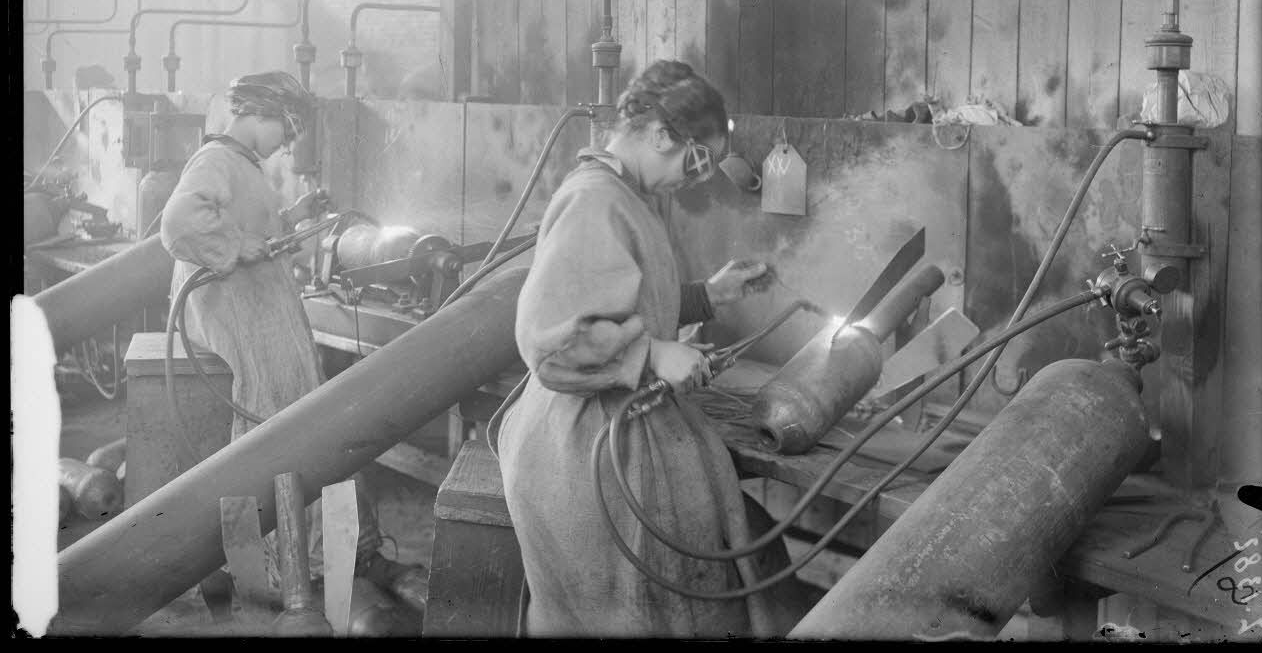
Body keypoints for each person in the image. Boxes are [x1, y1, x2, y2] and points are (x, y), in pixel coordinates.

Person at [488, 59, 807, 637]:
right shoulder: (595, 201)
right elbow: (550, 344)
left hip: (613, 423)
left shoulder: (627, 196)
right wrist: (653, 356)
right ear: (661, 135)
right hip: (584, 450)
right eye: (696, 161)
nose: (696, 179)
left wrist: (708, 295)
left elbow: (620, 303)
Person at [160, 70, 427, 614]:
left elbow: (246, 226)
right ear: (260, 115)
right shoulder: (215, 160)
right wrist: (237, 245)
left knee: (299, 423)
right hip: (240, 316)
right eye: (284, 132)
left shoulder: (240, 166)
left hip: (260, 311)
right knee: (273, 433)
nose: (286, 145)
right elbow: (178, 223)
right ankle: (273, 569)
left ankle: (314, 559)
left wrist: (294, 217)